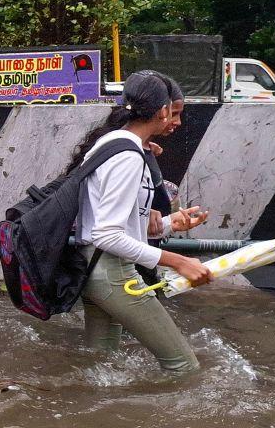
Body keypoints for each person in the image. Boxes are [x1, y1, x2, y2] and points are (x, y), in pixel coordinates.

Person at [67, 71, 211, 373]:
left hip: (93, 268)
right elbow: (107, 234)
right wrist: (178, 261)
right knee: (184, 367)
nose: (177, 121)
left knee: (100, 364)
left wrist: (170, 224)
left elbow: (112, 221)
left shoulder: (114, 144)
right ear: (161, 111)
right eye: (174, 112)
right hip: (113, 273)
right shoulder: (128, 156)